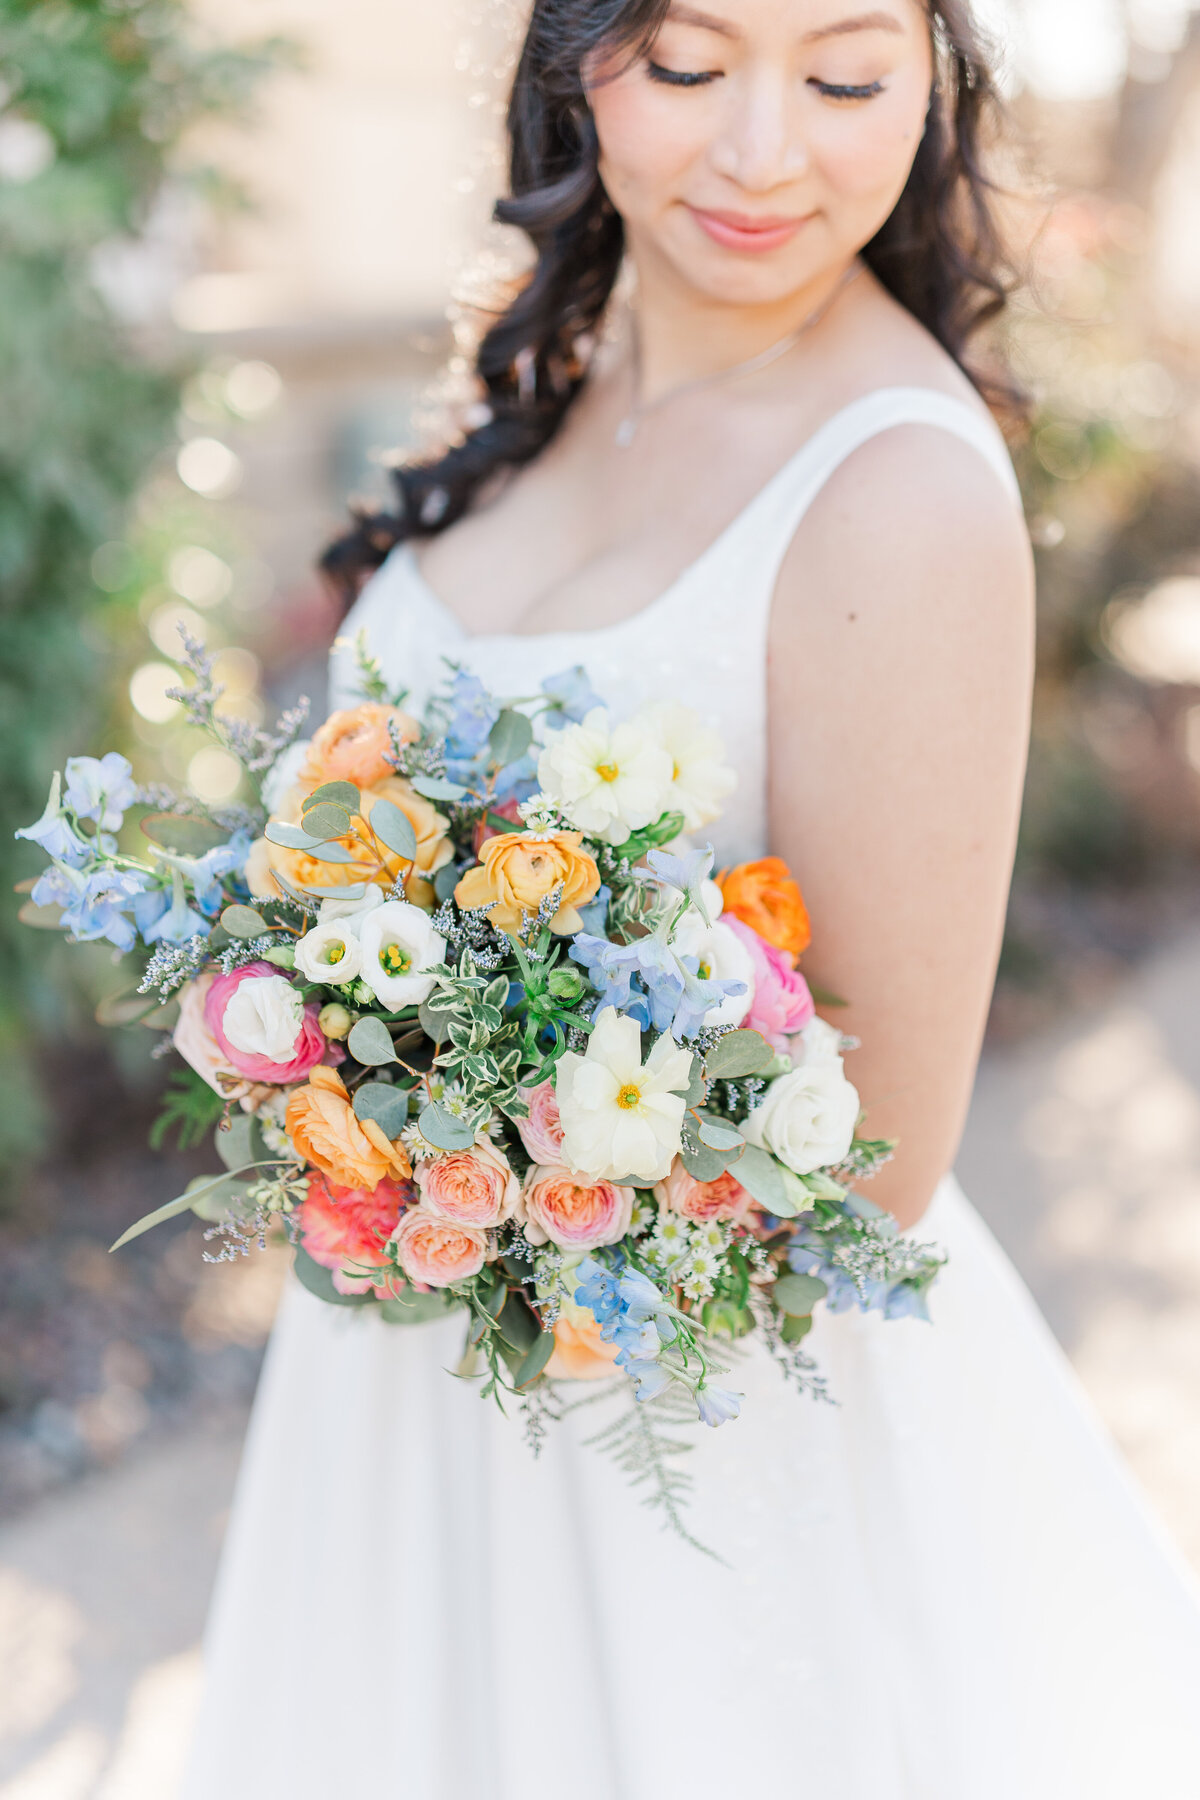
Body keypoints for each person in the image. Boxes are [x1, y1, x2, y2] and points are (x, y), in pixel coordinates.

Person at [182, 4, 1200, 1795]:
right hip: (408, 1380)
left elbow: (874, 1158)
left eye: (843, 76)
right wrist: (335, 1067)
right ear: (573, 59)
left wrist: (486, 1141)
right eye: (687, 63)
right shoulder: (548, 383)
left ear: (936, 82)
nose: (760, 155)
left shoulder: (896, 489)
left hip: (691, 1444)